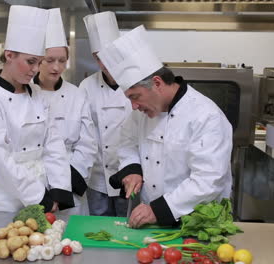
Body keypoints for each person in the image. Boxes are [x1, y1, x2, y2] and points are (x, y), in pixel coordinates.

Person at [99, 25, 233, 227]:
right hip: (152, 220)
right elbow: (127, 143)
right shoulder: (140, 113)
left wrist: (158, 209)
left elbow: (207, 180)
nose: (133, 106)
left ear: (157, 83)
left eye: (135, 97)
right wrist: (132, 169)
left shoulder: (206, 116)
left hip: (197, 221)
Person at [0, 5, 74, 213]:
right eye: (30, 62)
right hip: (2, 204)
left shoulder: (37, 95)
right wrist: (40, 196)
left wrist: (60, 189)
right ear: (9, 55)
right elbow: (0, 161)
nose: (35, 70)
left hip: (44, 195)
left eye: (39, 62)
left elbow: (53, 144)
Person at [31, 8, 97, 215]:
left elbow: (87, 144)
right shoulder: (25, 94)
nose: (56, 67)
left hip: (71, 183)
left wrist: (65, 184)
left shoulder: (76, 95)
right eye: (49, 60)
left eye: (62, 60)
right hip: (34, 183)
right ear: (37, 59)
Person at [79, 12, 132, 217]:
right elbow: (84, 133)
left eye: (112, 53)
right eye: (101, 56)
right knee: (98, 230)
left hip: (129, 175)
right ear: (95, 58)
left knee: (127, 228)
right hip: (97, 179)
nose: (107, 61)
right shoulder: (86, 86)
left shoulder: (134, 82)